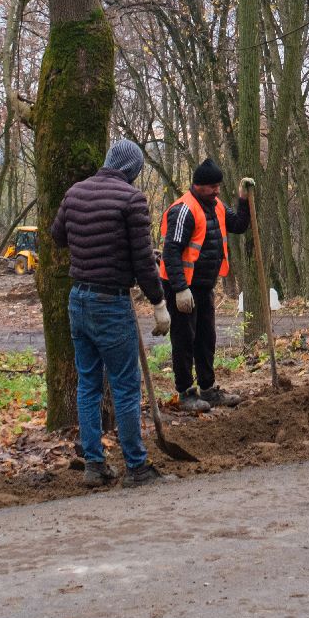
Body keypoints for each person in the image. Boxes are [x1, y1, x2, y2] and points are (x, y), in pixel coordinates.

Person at [52, 139, 174, 488]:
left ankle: (94, 465)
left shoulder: (75, 192)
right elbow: (142, 262)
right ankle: (136, 467)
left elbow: (58, 235)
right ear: (132, 170)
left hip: (78, 299)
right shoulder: (131, 199)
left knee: (88, 384)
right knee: (124, 386)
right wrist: (159, 303)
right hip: (110, 302)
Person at [157, 158, 251, 411]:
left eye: (218, 185)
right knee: (184, 339)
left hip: (203, 286)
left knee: (206, 338)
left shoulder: (216, 205)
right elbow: (171, 252)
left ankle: (208, 390)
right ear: (198, 185)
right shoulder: (183, 210)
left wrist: (244, 199)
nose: (216, 190)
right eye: (212, 186)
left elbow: (239, 226)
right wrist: (179, 289)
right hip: (182, 288)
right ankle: (186, 393)